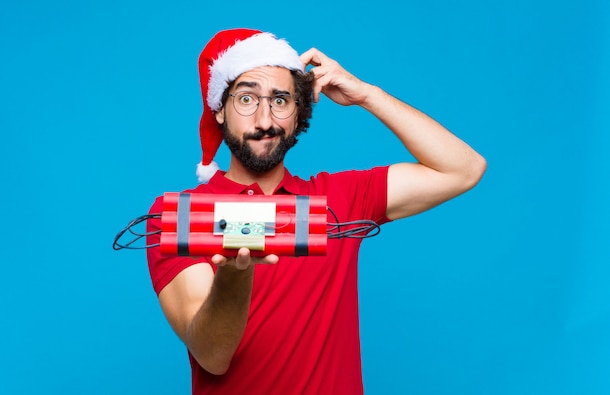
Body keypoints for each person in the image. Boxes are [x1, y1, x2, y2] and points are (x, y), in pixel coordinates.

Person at [145, 28, 486, 394]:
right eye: (246, 99)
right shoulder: (178, 217)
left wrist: (368, 95)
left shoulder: (338, 202)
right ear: (218, 111)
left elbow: (463, 169)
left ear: (298, 114)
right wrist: (235, 274)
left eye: (280, 101)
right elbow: (213, 355)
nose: (265, 121)